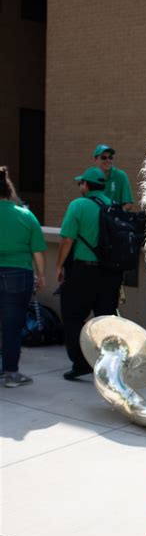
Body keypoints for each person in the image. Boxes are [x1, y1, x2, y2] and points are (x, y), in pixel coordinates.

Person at [56, 167, 123, 380]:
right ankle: (109, 366)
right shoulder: (113, 205)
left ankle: (80, 363)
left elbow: (67, 239)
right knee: (106, 318)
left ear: (85, 185)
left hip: (84, 270)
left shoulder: (78, 205)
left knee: (73, 316)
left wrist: (59, 266)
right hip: (111, 273)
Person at [0, 166, 46, 388]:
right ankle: (11, 373)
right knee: (12, 326)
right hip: (18, 275)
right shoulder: (25, 216)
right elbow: (38, 251)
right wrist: (41, 276)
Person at [93, 144, 134, 210]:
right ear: (96, 159)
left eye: (110, 157)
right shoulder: (92, 177)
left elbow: (128, 204)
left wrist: (114, 214)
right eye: (104, 157)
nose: (108, 160)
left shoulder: (121, 176)